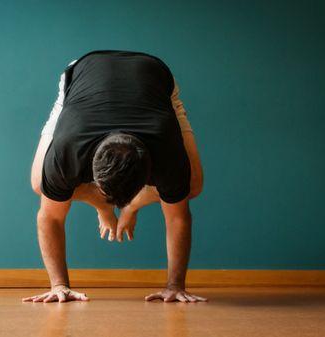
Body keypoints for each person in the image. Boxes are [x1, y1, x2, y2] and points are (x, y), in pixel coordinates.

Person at [23, 50, 206, 303]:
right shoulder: (69, 148)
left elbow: (179, 218)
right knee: (40, 183)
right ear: (92, 171)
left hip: (154, 76)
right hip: (82, 75)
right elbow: (50, 217)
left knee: (192, 186)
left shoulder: (166, 150)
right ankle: (110, 202)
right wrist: (59, 285)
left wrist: (175, 285)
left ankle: (130, 204)